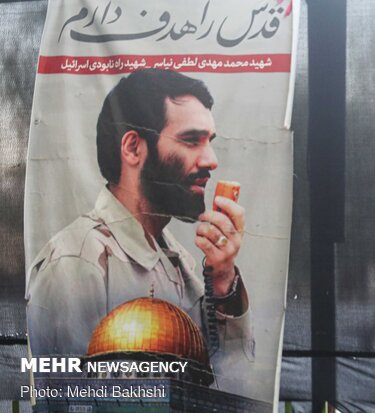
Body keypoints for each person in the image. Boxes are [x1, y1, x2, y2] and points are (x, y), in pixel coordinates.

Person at [26, 69, 254, 391]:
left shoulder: (183, 265)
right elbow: (68, 399)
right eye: (191, 140)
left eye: (209, 142)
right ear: (133, 148)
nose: (211, 160)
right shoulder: (75, 263)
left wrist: (223, 281)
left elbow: (231, 383)